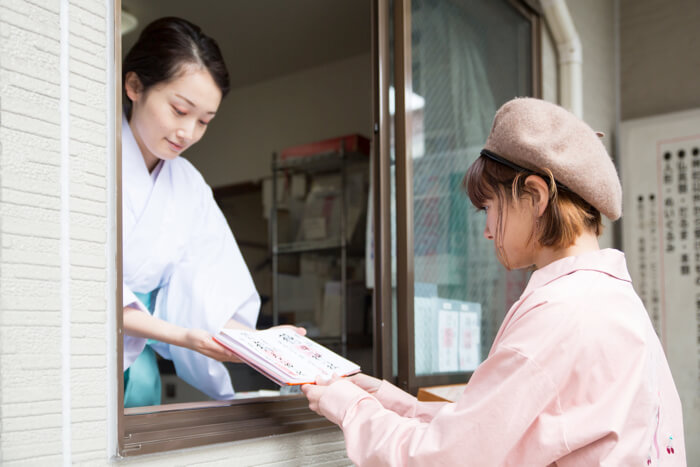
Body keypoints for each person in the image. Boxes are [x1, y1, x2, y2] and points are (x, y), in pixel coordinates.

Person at [302, 98, 686, 465]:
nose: (487, 231)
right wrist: (392, 402)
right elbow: (498, 431)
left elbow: (445, 459)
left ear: (535, 195)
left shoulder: (561, 315)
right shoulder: (611, 299)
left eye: (489, 207)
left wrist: (349, 406)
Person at [121, 17, 302, 407]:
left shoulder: (189, 187)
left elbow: (209, 288)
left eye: (204, 121)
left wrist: (257, 343)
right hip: (74, 360)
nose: (188, 133)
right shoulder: (88, 160)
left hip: (137, 371)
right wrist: (183, 337)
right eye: (179, 110)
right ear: (134, 86)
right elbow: (82, 293)